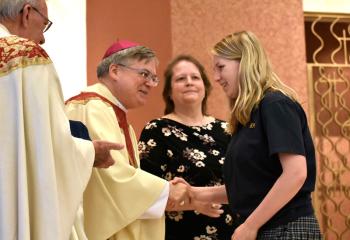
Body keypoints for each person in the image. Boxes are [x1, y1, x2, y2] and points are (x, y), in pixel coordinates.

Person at [65, 41, 219, 240]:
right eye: (144, 74)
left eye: (153, 78)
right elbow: (110, 178)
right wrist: (169, 190)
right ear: (115, 70)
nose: (150, 83)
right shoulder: (90, 107)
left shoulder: (115, 114)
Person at [176, 31, 322, 240]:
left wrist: (250, 226)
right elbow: (248, 187)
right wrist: (193, 192)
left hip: (287, 229)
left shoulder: (274, 104)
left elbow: (295, 174)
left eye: (221, 67)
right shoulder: (248, 116)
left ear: (245, 62)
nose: (216, 78)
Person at [0, 0, 123, 239]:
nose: (43, 39)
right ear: (27, 13)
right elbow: (47, 146)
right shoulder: (24, 56)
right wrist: (88, 152)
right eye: (44, 24)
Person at [138, 54, 235, 240]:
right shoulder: (156, 130)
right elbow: (146, 193)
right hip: (180, 233)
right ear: (169, 92)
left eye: (195, 77)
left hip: (232, 232)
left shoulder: (228, 129)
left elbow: (246, 184)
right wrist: (194, 202)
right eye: (181, 79)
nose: (189, 82)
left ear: (205, 87)